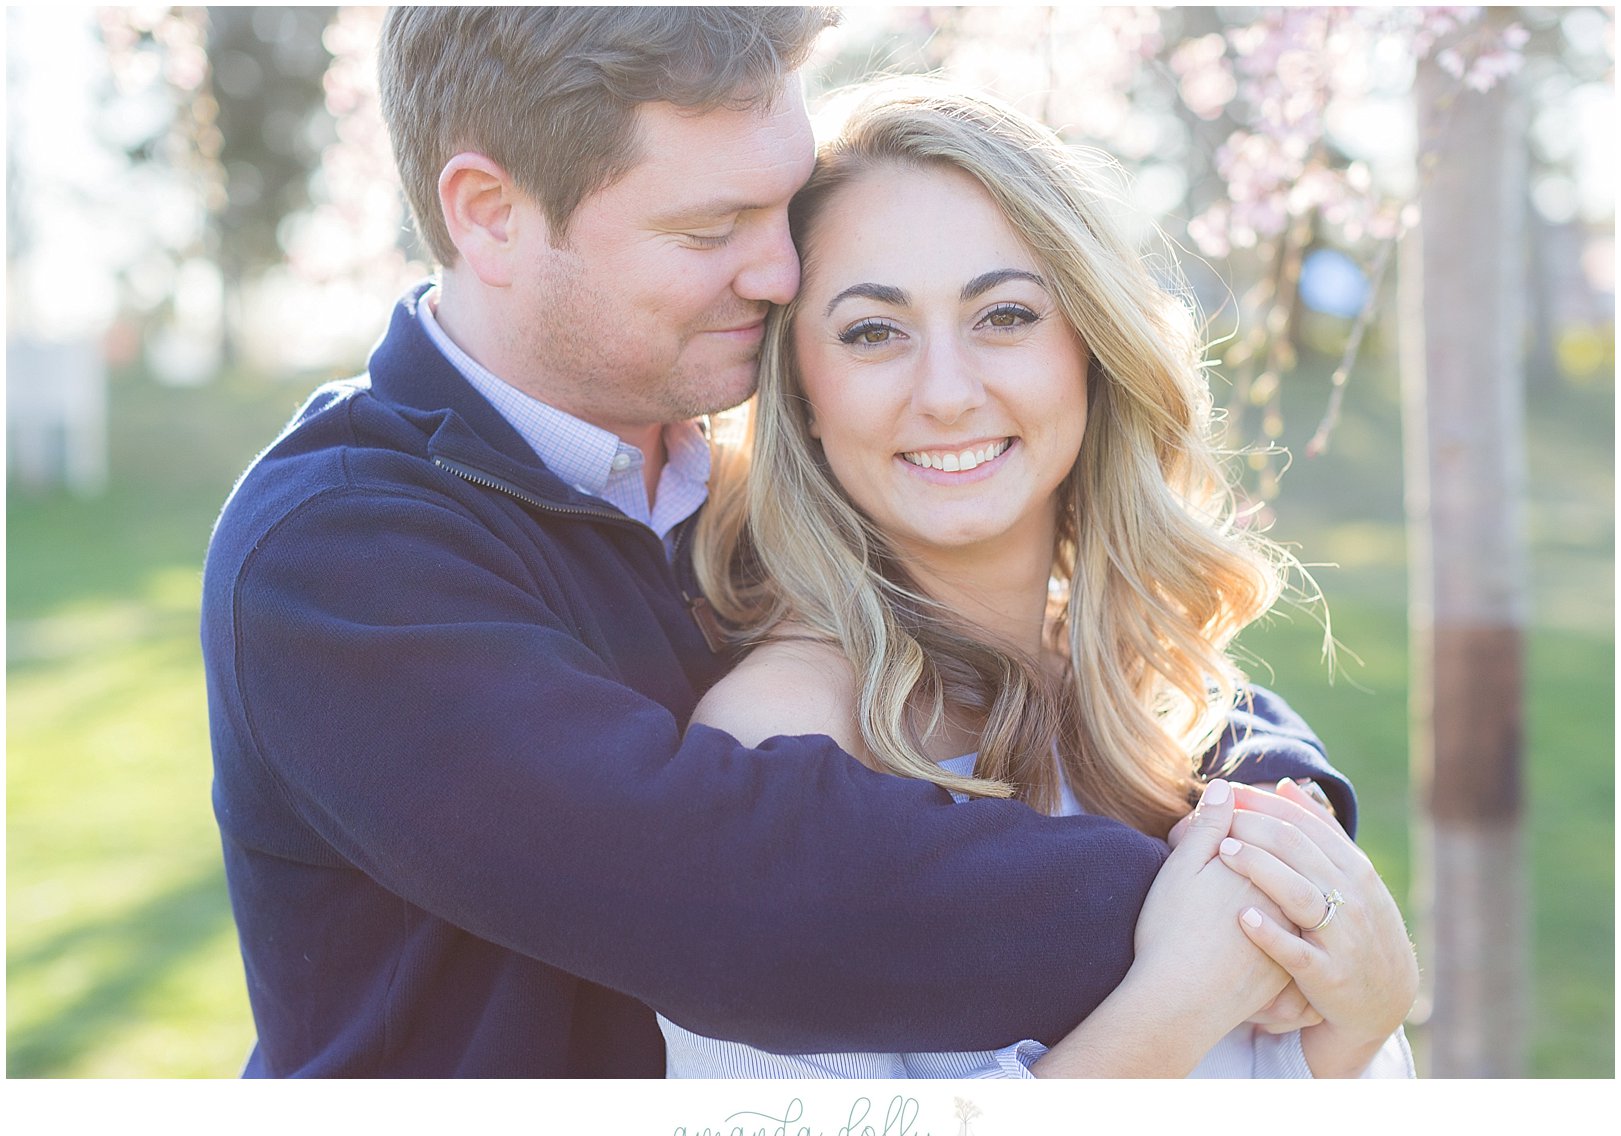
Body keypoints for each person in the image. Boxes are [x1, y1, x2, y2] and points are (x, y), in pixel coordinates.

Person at [201, 7, 1358, 1078]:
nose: (780, 269)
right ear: (490, 214)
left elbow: (1051, 640)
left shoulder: (746, 480)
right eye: (712, 227)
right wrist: (1223, 903)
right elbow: (722, 892)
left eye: (782, 203)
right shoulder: (337, 556)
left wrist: (1280, 806)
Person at [664, 80, 1418, 1077]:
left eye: (1005, 315)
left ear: (1091, 350)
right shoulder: (775, 758)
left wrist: (1359, 1032)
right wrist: (1176, 1005)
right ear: (800, 391)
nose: (945, 392)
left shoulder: (1181, 712)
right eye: (872, 331)